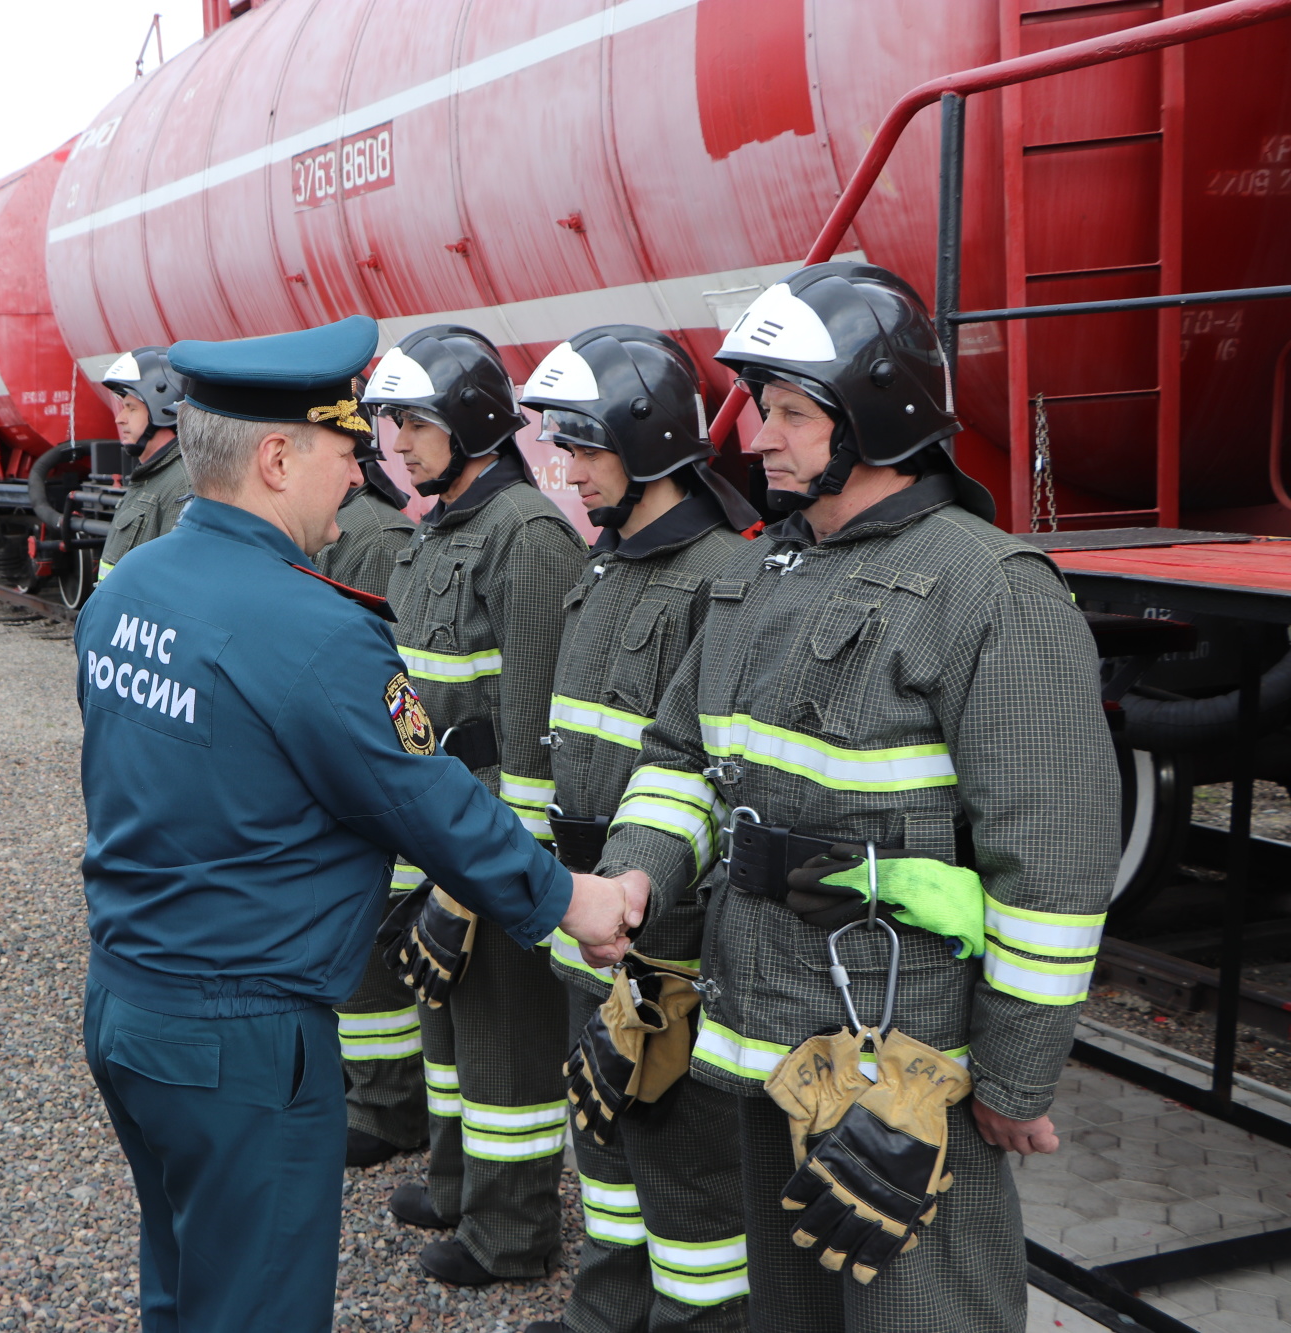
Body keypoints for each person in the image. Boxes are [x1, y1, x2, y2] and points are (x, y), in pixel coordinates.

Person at [73, 314, 642, 1333]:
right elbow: (426, 801)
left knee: (184, 1284)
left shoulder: (129, 595)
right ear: (276, 456)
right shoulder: (313, 630)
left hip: (127, 1008)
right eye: (342, 451)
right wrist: (571, 900)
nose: (357, 476)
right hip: (240, 1040)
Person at [602, 262, 1117, 1333]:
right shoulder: (756, 577)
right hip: (761, 1039)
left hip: (902, 1065)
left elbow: (1053, 868)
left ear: (875, 416)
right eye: (761, 408)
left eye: (790, 412)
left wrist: (1015, 1077)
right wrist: (632, 880)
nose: (755, 437)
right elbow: (675, 761)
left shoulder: (989, 591)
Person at [517, 327, 759, 1332]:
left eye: (581, 446)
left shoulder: (722, 576)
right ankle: (604, 1314)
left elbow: (710, 779)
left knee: (685, 1173)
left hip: (665, 938)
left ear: (648, 437)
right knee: (604, 1142)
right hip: (592, 925)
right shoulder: (606, 566)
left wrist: (664, 955)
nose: (563, 471)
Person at [359, 325, 588, 1287]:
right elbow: (415, 696)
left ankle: (512, 1233)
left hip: (492, 840)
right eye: (387, 426)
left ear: (472, 421)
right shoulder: (439, 528)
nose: (396, 446)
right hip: (438, 831)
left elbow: (534, 737)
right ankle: (458, 1183)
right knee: (447, 1030)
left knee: (503, 1045)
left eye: (414, 423)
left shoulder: (527, 539)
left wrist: (492, 877)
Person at [315, 426, 430, 1169]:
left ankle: (387, 1104)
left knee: (377, 950)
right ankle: (366, 1091)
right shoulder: (350, 527)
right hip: (346, 768)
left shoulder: (375, 536)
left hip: (380, 772)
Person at [97, 345, 188, 579]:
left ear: (162, 410)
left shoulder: (182, 486)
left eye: (131, 408)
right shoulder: (151, 476)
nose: (119, 419)